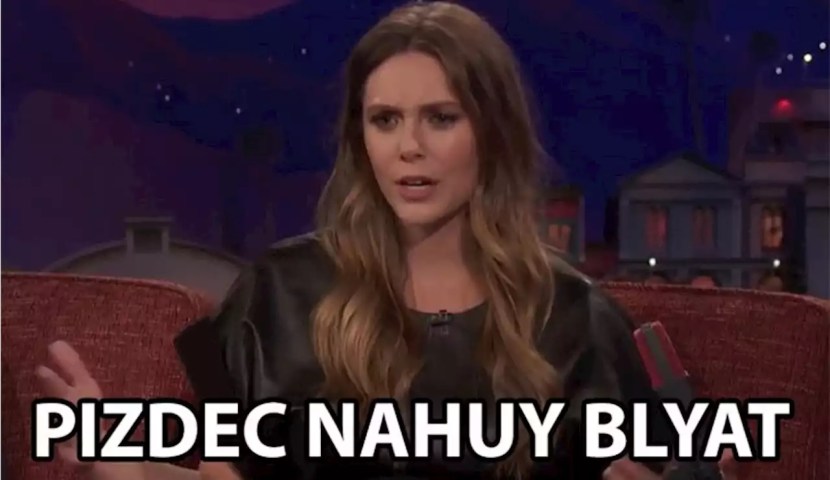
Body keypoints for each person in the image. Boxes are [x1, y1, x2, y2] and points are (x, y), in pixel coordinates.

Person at [35, 1, 742, 479]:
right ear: (360, 139)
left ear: (492, 133)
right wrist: (117, 461)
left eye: (440, 118)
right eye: (385, 120)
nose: (409, 148)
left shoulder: (578, 318)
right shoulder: (279, 293)